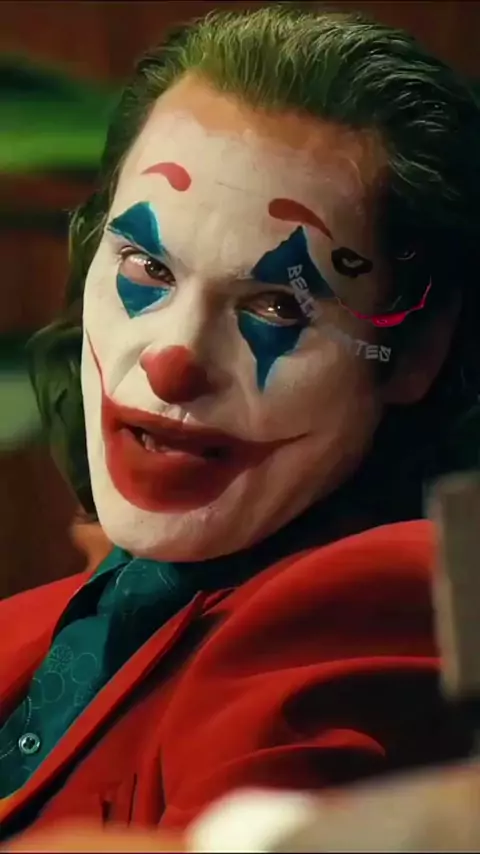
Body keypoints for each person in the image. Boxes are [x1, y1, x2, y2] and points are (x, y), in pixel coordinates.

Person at [1, 2, 480, 848]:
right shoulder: (45, 621)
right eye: (146, 267)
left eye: (276, 305)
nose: (172, 360)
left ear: (417, 353)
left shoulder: (361, 604)